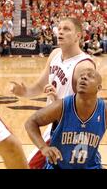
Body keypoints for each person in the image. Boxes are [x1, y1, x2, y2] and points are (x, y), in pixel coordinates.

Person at [10, 17, 95, 168]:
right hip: (54, 126)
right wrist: (24, 91)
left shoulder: (84, 67)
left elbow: (86, 112)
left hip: (69, 132)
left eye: (67, 29)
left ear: (78, 36)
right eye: (59, 28)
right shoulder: (55, 54)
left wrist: (57, 101)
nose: (60, 31)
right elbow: (38, 86)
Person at [25, 68, 105, 169]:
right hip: (58, 167)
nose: (84, 77)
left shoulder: (104, 111)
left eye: (90, 76)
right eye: (81, 76)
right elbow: (31, 122)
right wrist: (43, 147)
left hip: (91, 166)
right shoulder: (61, 106)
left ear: (99, 88)